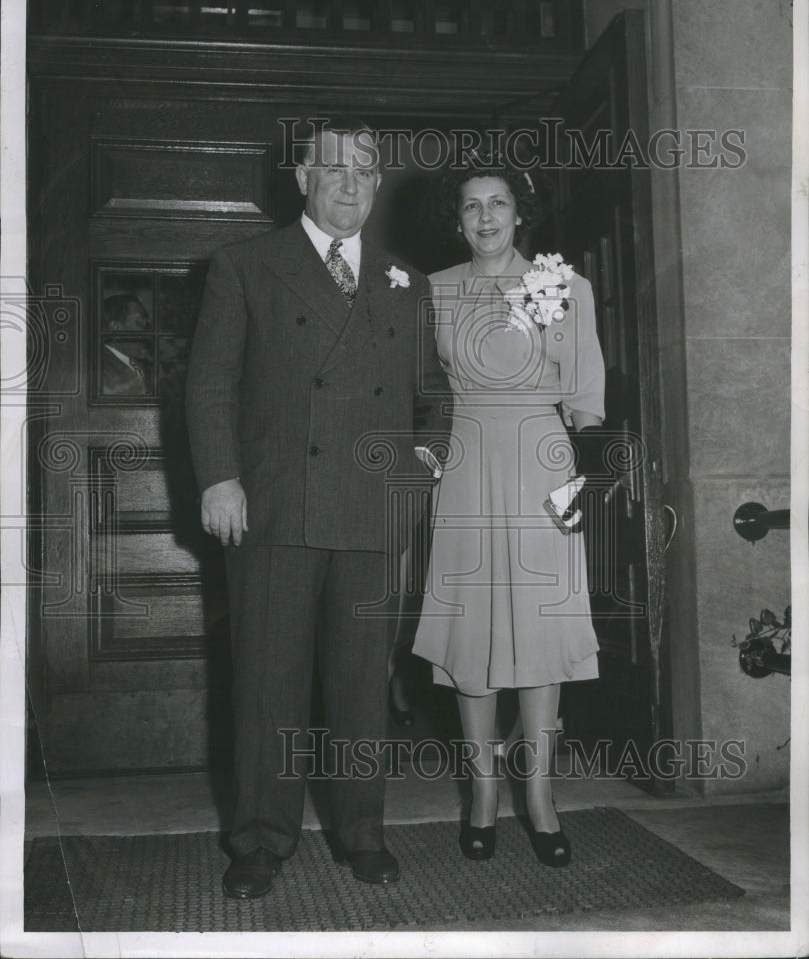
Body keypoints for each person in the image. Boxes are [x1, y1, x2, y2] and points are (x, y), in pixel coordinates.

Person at [185, 117, 451, 899]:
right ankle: (260, 841)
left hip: (371, 509)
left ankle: (361, 833)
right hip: (273, 505)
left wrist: (421, 469)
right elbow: (208, 383)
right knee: (267, 680)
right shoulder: (245, 265)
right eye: (331, 169)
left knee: (360, 684)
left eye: (364, 172)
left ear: (376, 186)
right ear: (301, 177)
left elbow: (432, 398)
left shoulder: (407, 281)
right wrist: (218, 479)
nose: (348, 184)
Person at [412, 161, 605, 868]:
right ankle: (483, 795)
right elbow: (416, 390)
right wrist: (425, 453)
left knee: (539, 629)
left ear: (520, 213)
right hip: (464, 465)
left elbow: (584, 400)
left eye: (498, 204)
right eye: (471, 207)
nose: (485, 217)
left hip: (541, 468)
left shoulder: (562, 285)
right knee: (471, 629)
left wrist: (576, 487)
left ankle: (541, 797)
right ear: (456, 219)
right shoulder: (431, 293)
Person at [101, 293, 152, 395]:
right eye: (140, 322)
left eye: (146, 322)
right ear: (116, 328)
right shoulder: (99, 368)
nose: (148, 329)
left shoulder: (138, 365)